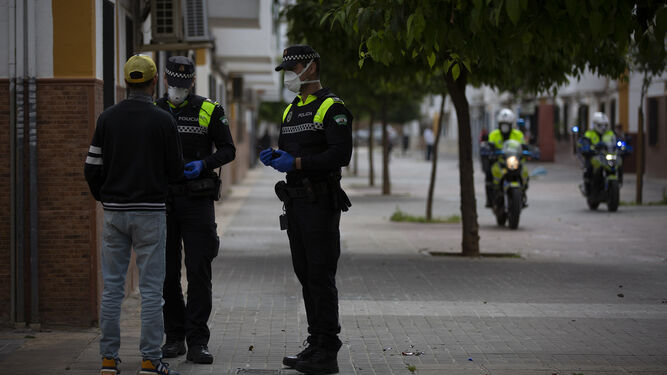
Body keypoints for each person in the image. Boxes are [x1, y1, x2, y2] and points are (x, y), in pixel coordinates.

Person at [85, 55, 183, 375]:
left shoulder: (107, 119)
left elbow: (91, 168)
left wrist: (105, 197)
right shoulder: (164, 121)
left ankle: (108, 360)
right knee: (152, 290)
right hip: (151, 214)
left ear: (127, 83)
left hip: (114, 213)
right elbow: (176, 171)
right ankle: (149, 360)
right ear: (154, 83)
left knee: (112, 288)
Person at [260, 44, 352, 374]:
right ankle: (315, 343)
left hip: (321, 203)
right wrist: (277, 158)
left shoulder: (332, 107)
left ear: (310, 67)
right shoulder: (291, 110)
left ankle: (328, 350)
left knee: (320, 274)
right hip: (296, 202)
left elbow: (340, 155)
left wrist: (297, 161)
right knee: (304, 274)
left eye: (292, 68)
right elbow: (291, 153)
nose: (288, 75)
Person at [155, 56, 236, 364]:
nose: (177, 88)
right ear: (165, 80)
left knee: (199, 269)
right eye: (173, 83)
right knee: (167, 272)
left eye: (183, 83)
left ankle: (198, 341)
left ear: (192, 82)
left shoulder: (209, 109)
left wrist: (204, 164)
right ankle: (174, 337)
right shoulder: (155, 111)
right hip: (163, 202)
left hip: (197, 201)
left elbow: (228, 149)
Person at [486, 108, 528, 207]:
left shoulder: (517, 134)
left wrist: (527, 150)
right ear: (499, 124)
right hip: (500, 161)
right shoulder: (494, 134)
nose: (505, 127)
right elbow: (489, 146)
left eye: (507, 124)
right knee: (490, 176)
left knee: (525, 173)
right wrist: (490, 149)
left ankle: (523, 193)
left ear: (511, 124)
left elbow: (523, 146)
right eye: (502, 124)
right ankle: (491, 199)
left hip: (514, 161)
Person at [578, 112, 616, 194]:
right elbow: (583, 143)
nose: (603, 128)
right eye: (600, 125)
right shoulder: (589, 134)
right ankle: (587, 186)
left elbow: (617, 141)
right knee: (588, 168)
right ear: (595, 124)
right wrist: (587, 147)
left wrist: (623, 145)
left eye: (605, 125)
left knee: (617, 164)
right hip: (594, 156)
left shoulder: (610, 133)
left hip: (607, 156)